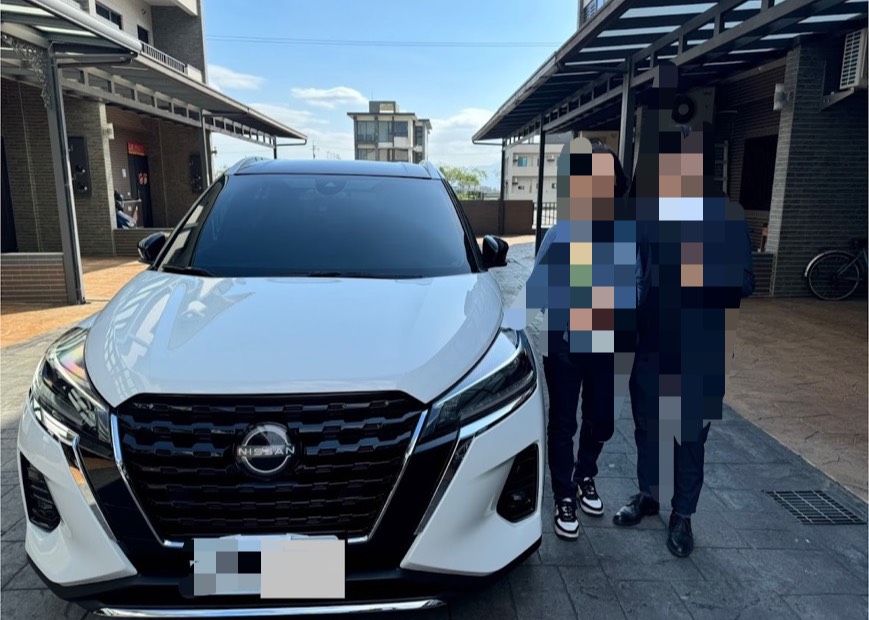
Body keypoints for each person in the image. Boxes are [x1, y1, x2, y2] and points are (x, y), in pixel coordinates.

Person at [612, 83, 755, 558]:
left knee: (689, 436)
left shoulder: (728, 217)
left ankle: (683, 515)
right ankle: (650, 495)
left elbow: (745, 282)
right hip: (650, 346)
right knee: (647, 427)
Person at [505, 137, 634, 540]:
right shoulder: (561, 234)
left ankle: (585, 475)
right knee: (563, 421)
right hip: (562, 344)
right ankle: (564, 493)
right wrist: (505, 330)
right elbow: (536, 291)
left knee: (601, 419)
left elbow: (635, 290)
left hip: (605, 343)